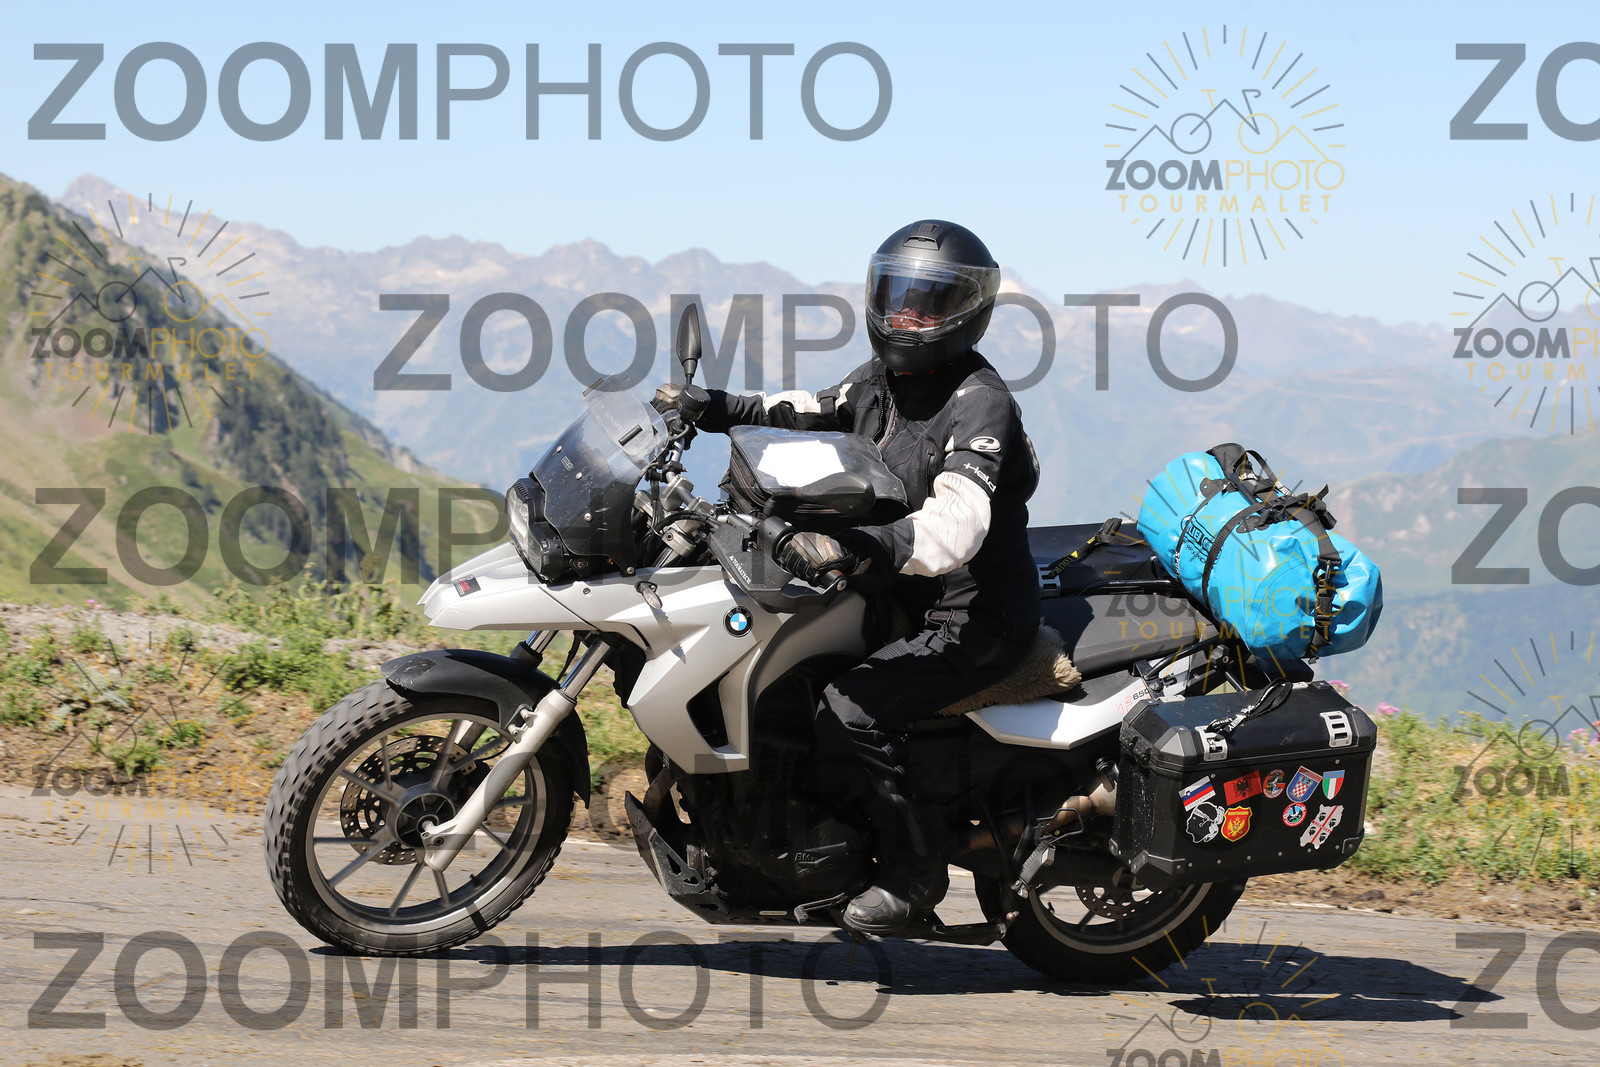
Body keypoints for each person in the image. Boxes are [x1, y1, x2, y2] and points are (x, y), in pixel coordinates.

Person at [656, 220, 1040, 932]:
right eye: (897, 297)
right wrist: (714, 408)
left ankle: (914, 874)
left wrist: (852, 549)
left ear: (965, 312)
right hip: (898, 594)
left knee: (853, 706)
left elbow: (956, 526)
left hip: (971, 614)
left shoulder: (979, 401)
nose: (906, 317)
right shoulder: (882, 380)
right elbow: (811, 408)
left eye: (927, 304)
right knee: (779, 676)